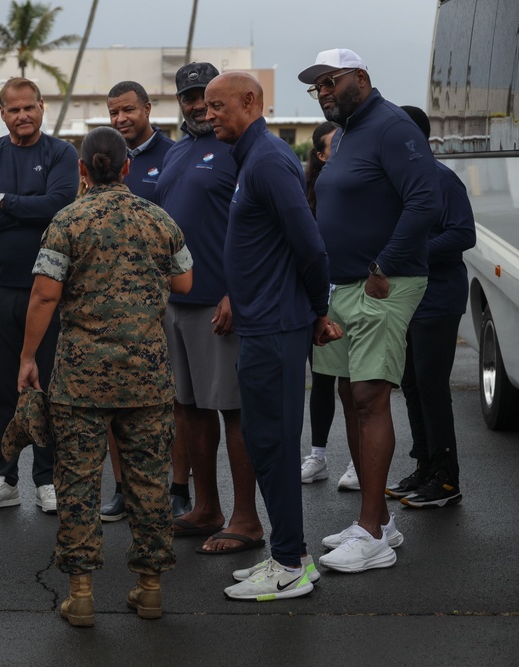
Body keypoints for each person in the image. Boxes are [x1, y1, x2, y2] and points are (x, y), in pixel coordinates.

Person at [18, 126, 193, 626]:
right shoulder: (158, 219)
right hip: (147, 376)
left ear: (81, 171)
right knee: (149, 483)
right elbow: (184, 280)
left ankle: (81, 593)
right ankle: (151, 587)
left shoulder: (67, 221)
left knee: (77, 483)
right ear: (126, 168)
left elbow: (45, 295)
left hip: (81, 378)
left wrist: (29, 357)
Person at [299, 49, 441, 573]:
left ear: (362, 76)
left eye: (331, 81)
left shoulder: (391, 125)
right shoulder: (352, 130)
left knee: (368, 395)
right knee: (345, 391)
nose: (324, 91)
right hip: (345, 285)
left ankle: (374, 535)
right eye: (317, 86)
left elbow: (426, 201)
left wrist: (384, 263)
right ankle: (376, 521)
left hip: (383, 283)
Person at [202, 72, 338, 600]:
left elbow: (309, 243)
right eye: (207, 107)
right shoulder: (251, 157)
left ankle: (289, 565)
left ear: (250, 102)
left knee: (274, 444)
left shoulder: (269, 160)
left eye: (218, 106)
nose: (208, 114)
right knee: (265, 442)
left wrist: (318, 311)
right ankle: (292, 555)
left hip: (277, 328)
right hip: (262, 324)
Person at [155, 63, 264, 557]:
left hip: (221, 306)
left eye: (207, 97)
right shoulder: (176, 152)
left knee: (234, 412)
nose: (198, 106)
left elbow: (262, 229)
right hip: (175, 304)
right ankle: (206, 508)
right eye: (189, 97)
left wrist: (237, 294)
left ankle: (246, 519)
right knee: (189, 410)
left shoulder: (241, 151)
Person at [0, 77, 79, 513]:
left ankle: (47, 480)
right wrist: (31, 208)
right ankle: (1, 478)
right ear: (3, 114)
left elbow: (60, 208)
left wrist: (4, 201)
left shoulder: (62, 154)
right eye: (14, 110)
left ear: (42, 108)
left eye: (30, 107)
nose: (22, 115)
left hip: (47, 292)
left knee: (47, 386)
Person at [387, 105, 475, 508]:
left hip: (438, 299)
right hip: (407, 300)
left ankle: (445, 479)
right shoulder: (398, 181)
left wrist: (411, 253)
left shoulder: (442, 180)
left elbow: (463, 234)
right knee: (411, 385)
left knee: (432, 387)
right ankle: (424, 466)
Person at [98, 80, 176, 522]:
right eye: (114, 113)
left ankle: (170, 487)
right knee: (114, 402)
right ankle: (124, 488)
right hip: (114, 307)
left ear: (148, 108)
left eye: (128, 110)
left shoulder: (173, 155)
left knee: (166, 405)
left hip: (162, 301)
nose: (121, 119)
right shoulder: (107, 155)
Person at [298, 120, 364, 489]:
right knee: (322, 381)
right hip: (323, 294)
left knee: (355, 385)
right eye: (332, 146)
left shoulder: (355, 186)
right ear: (320, 155)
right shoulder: (309, 191)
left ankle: (358, 461)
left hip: (355, 292)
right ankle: (318, 456)